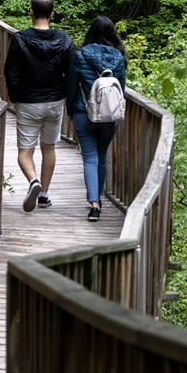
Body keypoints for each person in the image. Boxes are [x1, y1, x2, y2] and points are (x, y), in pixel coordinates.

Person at [4, 0, 75, 212]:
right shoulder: (65, 40)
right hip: (54, 101)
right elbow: (72, 72)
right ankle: (44, 194)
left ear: (31, 12)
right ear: (52, 14)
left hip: (28, 101)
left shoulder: (20, 39)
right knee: (49, 148)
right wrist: (66, 96)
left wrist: (15, 96)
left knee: (25, 152)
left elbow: (11, 72)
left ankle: (33, 181)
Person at [66, 16, 127, 222]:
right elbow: (121, 88)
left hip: (84, 113)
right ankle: (99, 197)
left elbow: (72, 85)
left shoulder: (81, 55)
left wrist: (71, 110)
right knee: (102, 156)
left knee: (90, 157)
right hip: (109, 116)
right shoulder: (118, 57)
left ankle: (94, 204)